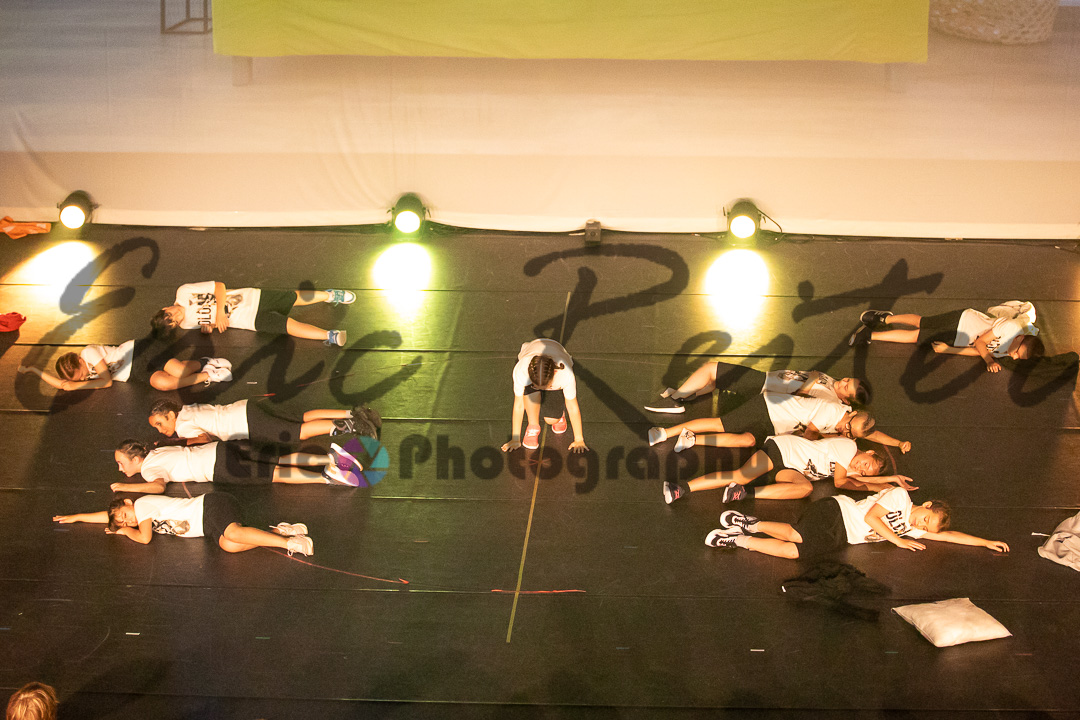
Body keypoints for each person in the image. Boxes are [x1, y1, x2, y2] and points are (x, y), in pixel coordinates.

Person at [703, 487, 1010, 561]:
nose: (922, 525)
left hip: (843, 537)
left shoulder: (912, 529)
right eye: (926, 519)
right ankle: (747, 524)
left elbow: (949, 537)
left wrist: (984, 542)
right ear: (926, 505)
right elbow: (870, 517)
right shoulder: (901, 497)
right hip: (838, 511)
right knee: (797, 536)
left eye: (926, 527)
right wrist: (898, 541)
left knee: (794, 552)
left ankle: (739, 536)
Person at [662, 434, 915, 504]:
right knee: (741, 475)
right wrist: (875, 483)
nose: (861, 468)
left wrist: (891, 481)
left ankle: (743, 493)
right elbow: (842, 483)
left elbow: (859, 482)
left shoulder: (850, 470)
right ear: (868, 452)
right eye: (867, 464)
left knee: (805, 488)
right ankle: (680, 488)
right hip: (783, 450)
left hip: (792, 469)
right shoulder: (849, 447)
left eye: (866, 471)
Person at [53, 492, 314, 556]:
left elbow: (144, 538)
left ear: (129, 502)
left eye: (124, 514)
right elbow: (107, 517)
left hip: (210, 506)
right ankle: (281, 531)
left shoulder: (141, 506)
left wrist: (124, 530)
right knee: (229, 545)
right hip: (207, 525)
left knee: (233, 533)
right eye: (122, 521)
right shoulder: (134, 515)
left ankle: (291, 543)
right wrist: (77, 517)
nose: (126, 521)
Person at [648, 392, 911, 453]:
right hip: (768, 408)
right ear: (851, 416)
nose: (846, 432)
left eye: (850, 434)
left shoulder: (852, 421)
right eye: (848, 429)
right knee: (720, 424)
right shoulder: (832, 413)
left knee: (746, 441)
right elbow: (810, 437)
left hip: (775, 424)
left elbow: (872, 434)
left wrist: (899, 443)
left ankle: (692, 439)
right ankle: (664, 432)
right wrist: (836, 438)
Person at [109, 438, 364, 492]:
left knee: (274, 474)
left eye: (121, 463)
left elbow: (158, 487)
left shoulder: (147, 469)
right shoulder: (156, 451)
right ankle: (330, 457)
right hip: (220, 448)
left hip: (218, 467)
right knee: (278, 459)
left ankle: (326, 477)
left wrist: (124, 486)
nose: (120, 469)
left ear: (136, 459)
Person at [849, 304, 1044, 373]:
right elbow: (981, 343)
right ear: (1019, 339)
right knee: (922, 323)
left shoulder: (1008, 351)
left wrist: (948, 350)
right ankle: (884, 319)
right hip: (962, 321)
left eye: (1019, 358)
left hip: (959, 338)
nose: (1014, 357)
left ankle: (871, 333)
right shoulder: (1011, 328)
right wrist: (989, 361)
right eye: (1018, 353)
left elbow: (978, 351)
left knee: (918, 335)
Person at [151, 282, 354, 347]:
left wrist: (220, 312)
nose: (177, 317)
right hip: (246, 320)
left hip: (250, 298)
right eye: (174, 323)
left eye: (171, 316)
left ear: (165, 309)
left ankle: (329, 295)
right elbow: (207, 321)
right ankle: (329, 335)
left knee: (293, 298)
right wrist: (211, 326)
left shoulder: (183, 292)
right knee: (287, 326)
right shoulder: (186, 324)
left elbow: (219, 286)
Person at [17, 339, 231, 392]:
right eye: (79, 379)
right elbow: (63, 385)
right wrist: (33, 370)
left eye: (81, 374)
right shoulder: (79, 376)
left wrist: (78, 385)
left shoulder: (88, 352)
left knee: (179, 371)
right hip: (134, 373)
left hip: (139, 351)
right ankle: (208, 375)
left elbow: (106, 381)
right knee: (164, 385)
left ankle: (205, 362)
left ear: (80, 361)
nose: (83, 378)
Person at [646, 364, 869, 414]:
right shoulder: (832, 384)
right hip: (766, 378)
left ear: (846, 400)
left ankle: (675, 401)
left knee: (711, 369)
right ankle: (685, 395)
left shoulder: (830, 400)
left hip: (763, 386)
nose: (843, 381)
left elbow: (804, 397)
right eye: (847, 379)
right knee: (715, 381)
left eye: (846, 387)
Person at [148, 399, 381, 445]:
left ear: (171, 415)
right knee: (300, 416)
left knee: (298, 432)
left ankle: (354, 426)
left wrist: (173, 443)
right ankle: (355, 413)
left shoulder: (182, 425)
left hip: (247, 423)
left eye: (160, 423)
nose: (161, 430)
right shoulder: (188, 408)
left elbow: (203, 439)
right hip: (246, 406)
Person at [501, 338, 588, 453]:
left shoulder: (564, 373)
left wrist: (579, 439)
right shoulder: (521, 371)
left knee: (551, 420)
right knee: (530, 391)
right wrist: (515, 439)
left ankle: (559, 415)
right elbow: (519, 405)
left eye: (545, 386)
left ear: (554, 373)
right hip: (531, 353)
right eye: (537, 386)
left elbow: (572, 407)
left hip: (557, 349)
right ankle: (533, 426)